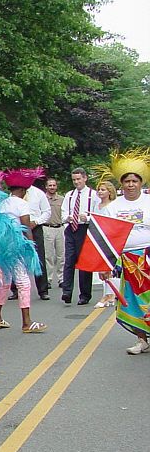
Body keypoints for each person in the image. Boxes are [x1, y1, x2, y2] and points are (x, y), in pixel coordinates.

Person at [97, 151, 150, 355]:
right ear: (121, 184)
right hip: (126, 260)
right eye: (127, 181)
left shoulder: (148, 202)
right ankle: (141, 339)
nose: (130, 184)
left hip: (148, 257)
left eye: (134, 181)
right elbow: (106, 238)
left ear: (141, 183)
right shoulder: (113, 207)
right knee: (133, 300)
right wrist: (105, 266)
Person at [0, 172, 46, 333]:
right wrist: (31, 245)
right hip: (16, 246)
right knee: (24, 282)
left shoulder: (2, 203)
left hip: (2, 247)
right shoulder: (22, 204)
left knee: (5, 282)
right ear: (22, 190)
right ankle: (26, 322)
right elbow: (26, 227)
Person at [61, 168, 100, 305]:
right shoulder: (69, 195)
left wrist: (88, 217)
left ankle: (84, 294)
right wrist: (68, 217)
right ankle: (67, 291)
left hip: (85, 229)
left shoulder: (93, 195)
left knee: (84, 262)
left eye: (78, 179)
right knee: (69, 260)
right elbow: (64, 212)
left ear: (85, 178)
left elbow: (97, 214)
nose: (76, 182)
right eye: (74, 180)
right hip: (72, 228)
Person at [93, 181, 119, 309]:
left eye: (103, 189)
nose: (100, 192)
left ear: (110, 192)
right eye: (99, 190)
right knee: (102, 268)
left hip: (110, 238)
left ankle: (110, 295)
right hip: (99, 237)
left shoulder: (113, 206)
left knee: (110, 267)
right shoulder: (96, 205)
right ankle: (109, 294)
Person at [24, 182, 51, 299]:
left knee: (39, 257)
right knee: (18, 258)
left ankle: (43, 290)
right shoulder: (14, 194)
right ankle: (16, 289)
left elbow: (47, 212)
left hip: (35, 227)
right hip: (20, 228)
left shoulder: (38, 193)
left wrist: (37, 222)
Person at [43, 178, 65, 288]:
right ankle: (48, 279)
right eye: (50, 185)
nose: (52, 187)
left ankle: (61, 279)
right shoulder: (42, 199)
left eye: (54, 185)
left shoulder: (62, 199)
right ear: (46, 187)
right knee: (48, 256)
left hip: (60, 228)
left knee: (61, 255)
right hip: (47, 228)